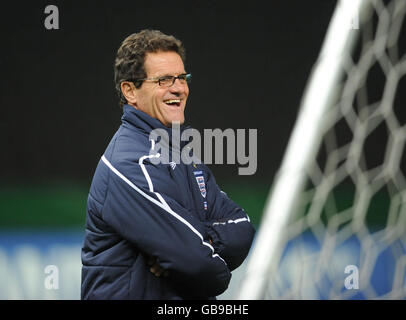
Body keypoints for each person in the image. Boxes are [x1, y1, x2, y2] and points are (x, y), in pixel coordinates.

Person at [81, 29, 255, 300]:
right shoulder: (129, 163)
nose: (179, 88)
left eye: (181, 78)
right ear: (130, 91)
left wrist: (203, 240)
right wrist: (199, 252)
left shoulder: (182, 152)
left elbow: (242, 227)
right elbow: (201, 267)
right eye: (163, 80)